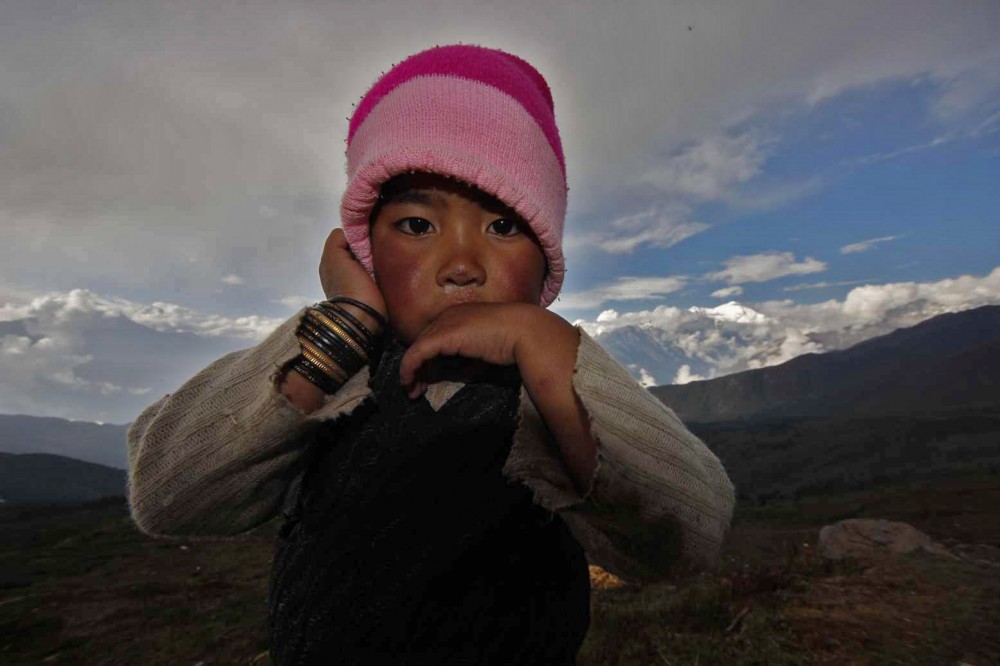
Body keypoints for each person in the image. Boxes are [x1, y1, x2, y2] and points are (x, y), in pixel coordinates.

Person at [126, 44, 736, 665]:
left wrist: (555, 360)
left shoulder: (543, 393)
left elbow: (687, 539)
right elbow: (168, 497)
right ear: (365, 253)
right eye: (417, 225)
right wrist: (343, 329)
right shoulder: (341, 375)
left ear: (547, 259)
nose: (464, 267)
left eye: (504, 227)